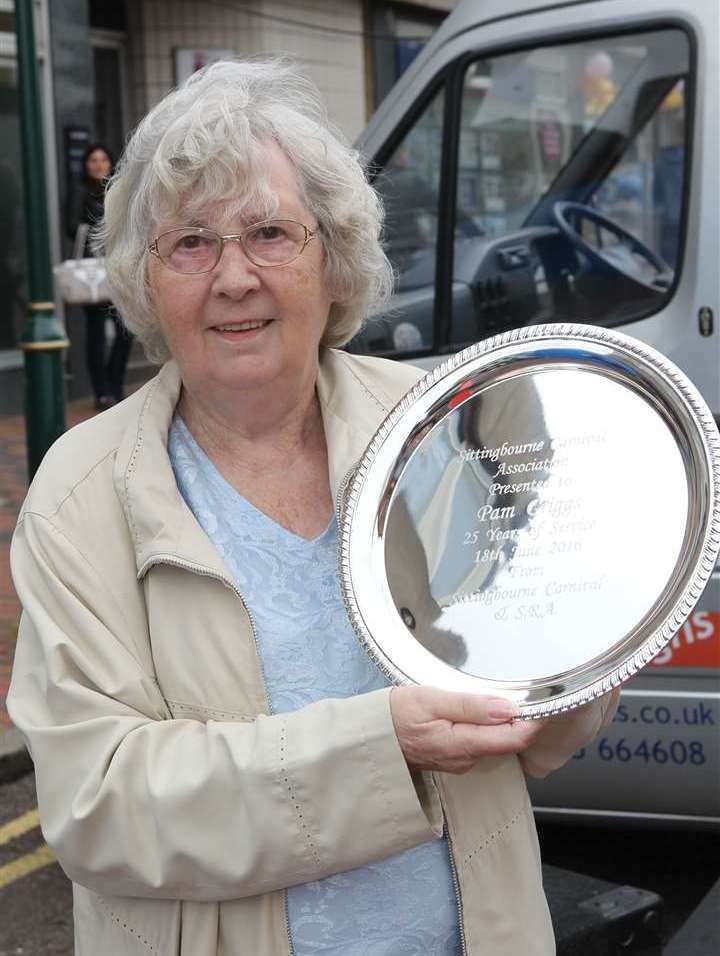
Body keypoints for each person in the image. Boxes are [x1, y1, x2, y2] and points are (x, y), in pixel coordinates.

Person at [9, 60, 619, 956]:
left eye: (269, 233)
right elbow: (98, 805)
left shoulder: (435, 426)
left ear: (333, 258)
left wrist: (586, 649)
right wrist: (383, 747)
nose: (234, 277)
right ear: (146, 282)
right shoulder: (81, 489)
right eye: (191, 244)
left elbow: (532, 716)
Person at [70, 143, 134, 409]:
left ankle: (115, 383)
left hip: (118, 269)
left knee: (125, 330)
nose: (98, 164)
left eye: (103, 160)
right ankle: (101, 391)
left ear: (110, 164)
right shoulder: (79, 193)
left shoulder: (119, 192)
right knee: (96, 334)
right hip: (93, 274)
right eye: (93, 160)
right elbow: (71, 227)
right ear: (86, 165)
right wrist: (100, 236)